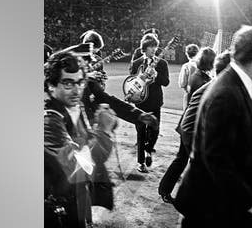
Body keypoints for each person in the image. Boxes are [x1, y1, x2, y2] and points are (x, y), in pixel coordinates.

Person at [174, 25, 252, 227]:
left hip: (216, 204)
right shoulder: (226, 92)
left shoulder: (234, 83)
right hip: (209, 209)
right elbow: (216, 158)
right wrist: (250, 202)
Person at [43, 52, 118, 228]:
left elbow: (86, 141)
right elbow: (78, 166)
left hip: (74, 197)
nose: (77, 90)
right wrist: (104, 132)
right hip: (56, 208)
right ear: (51, 86)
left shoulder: (74, 105)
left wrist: (100, 128)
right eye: (68, 83)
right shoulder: (49, 120)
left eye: (80, 82)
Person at [158, 50, 230, 204]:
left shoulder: (198, 75)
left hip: (188, 123)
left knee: (182, 160)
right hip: (192, 126)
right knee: (187, 161)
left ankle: (165, 189)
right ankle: (173, 191)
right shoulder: (202, 79)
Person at [57, 42, 157, 130]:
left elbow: (108, 100)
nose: (89, 67)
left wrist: (138, 115)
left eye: (89, 64)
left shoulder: (89, 83)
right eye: (85, 64)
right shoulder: (56, 91)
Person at [128, 33, 169, 173]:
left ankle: (149, 149)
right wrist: (138, 79)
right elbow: (130, 82)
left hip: (155, 101)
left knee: (155, 131)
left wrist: (157, 76)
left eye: (155, 46)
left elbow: (166, 82)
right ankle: (140, 162)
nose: (154, 49)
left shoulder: (162, 63)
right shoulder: (136, 63)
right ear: (144, 48)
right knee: (140, 132)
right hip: (140, 102)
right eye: (151, 46)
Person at [178, 44, 199, 110]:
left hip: (189, 95)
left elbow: (182, 83)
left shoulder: (186, 66)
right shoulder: (203, 65)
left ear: (187, 54)